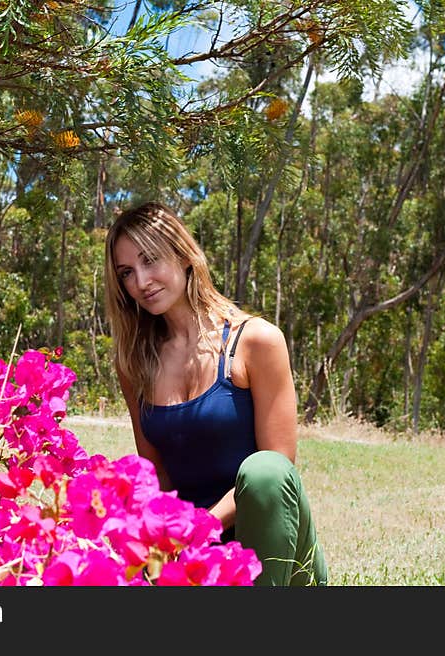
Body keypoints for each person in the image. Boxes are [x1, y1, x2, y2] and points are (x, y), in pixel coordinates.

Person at [103, 200, 327, 586]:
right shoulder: (135, 363)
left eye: (151, 259)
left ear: (184, 255)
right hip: (195, 557)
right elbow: (158, 479)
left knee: (264, 471)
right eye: (127, 272)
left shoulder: (257, 341)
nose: (141, 282)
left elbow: (277, 474)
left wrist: (202, 525)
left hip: (276, 555)